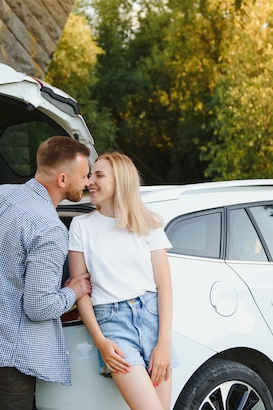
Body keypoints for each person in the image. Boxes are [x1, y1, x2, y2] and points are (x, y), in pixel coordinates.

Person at [0, 136, 92, 410]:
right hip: (3, 354)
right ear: (62, 179)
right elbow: (39, 307)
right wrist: (74, 290)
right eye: (84, 176)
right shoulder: (50, 228)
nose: (87, 183)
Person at [68, 152, 179, 410]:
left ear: (121, 181)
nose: (89, 181)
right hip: (113, 325)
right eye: (90, 175)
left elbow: (164, 287)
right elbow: (80, 291)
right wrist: (101, 342)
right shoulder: (81, 226)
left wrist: (163, 343)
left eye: (99, 175)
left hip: (153, 320)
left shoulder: (149, 223)